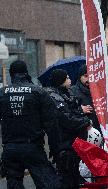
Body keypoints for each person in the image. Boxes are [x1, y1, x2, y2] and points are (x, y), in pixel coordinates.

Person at [0, 60, 61, 189]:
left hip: (10, 147)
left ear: (11, 75)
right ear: (26, 73)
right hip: (33, 147)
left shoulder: (2, 93)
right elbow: (51, 124)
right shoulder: (39, 92)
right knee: (47, 183)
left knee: (14, 182)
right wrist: (55, 150)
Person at [47, 69, 93, 189]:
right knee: (67, 179)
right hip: (63, 144)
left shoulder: (67, 94)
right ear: (60, 80)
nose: (70, 80)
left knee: (75, 178)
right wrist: (85, 121)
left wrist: (80, 111)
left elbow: (73, 111)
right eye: (67, 78)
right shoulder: (54, 97)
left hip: (73, 143)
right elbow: (67, 119)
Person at [70, 65, 101, 133]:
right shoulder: (72, 91)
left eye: (91, 76)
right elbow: (68, 112)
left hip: (100, 131)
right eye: (86, 76)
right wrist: (80, 110)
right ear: (80, 77)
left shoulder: (99, 90)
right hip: (83, 132)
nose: (89, 79)